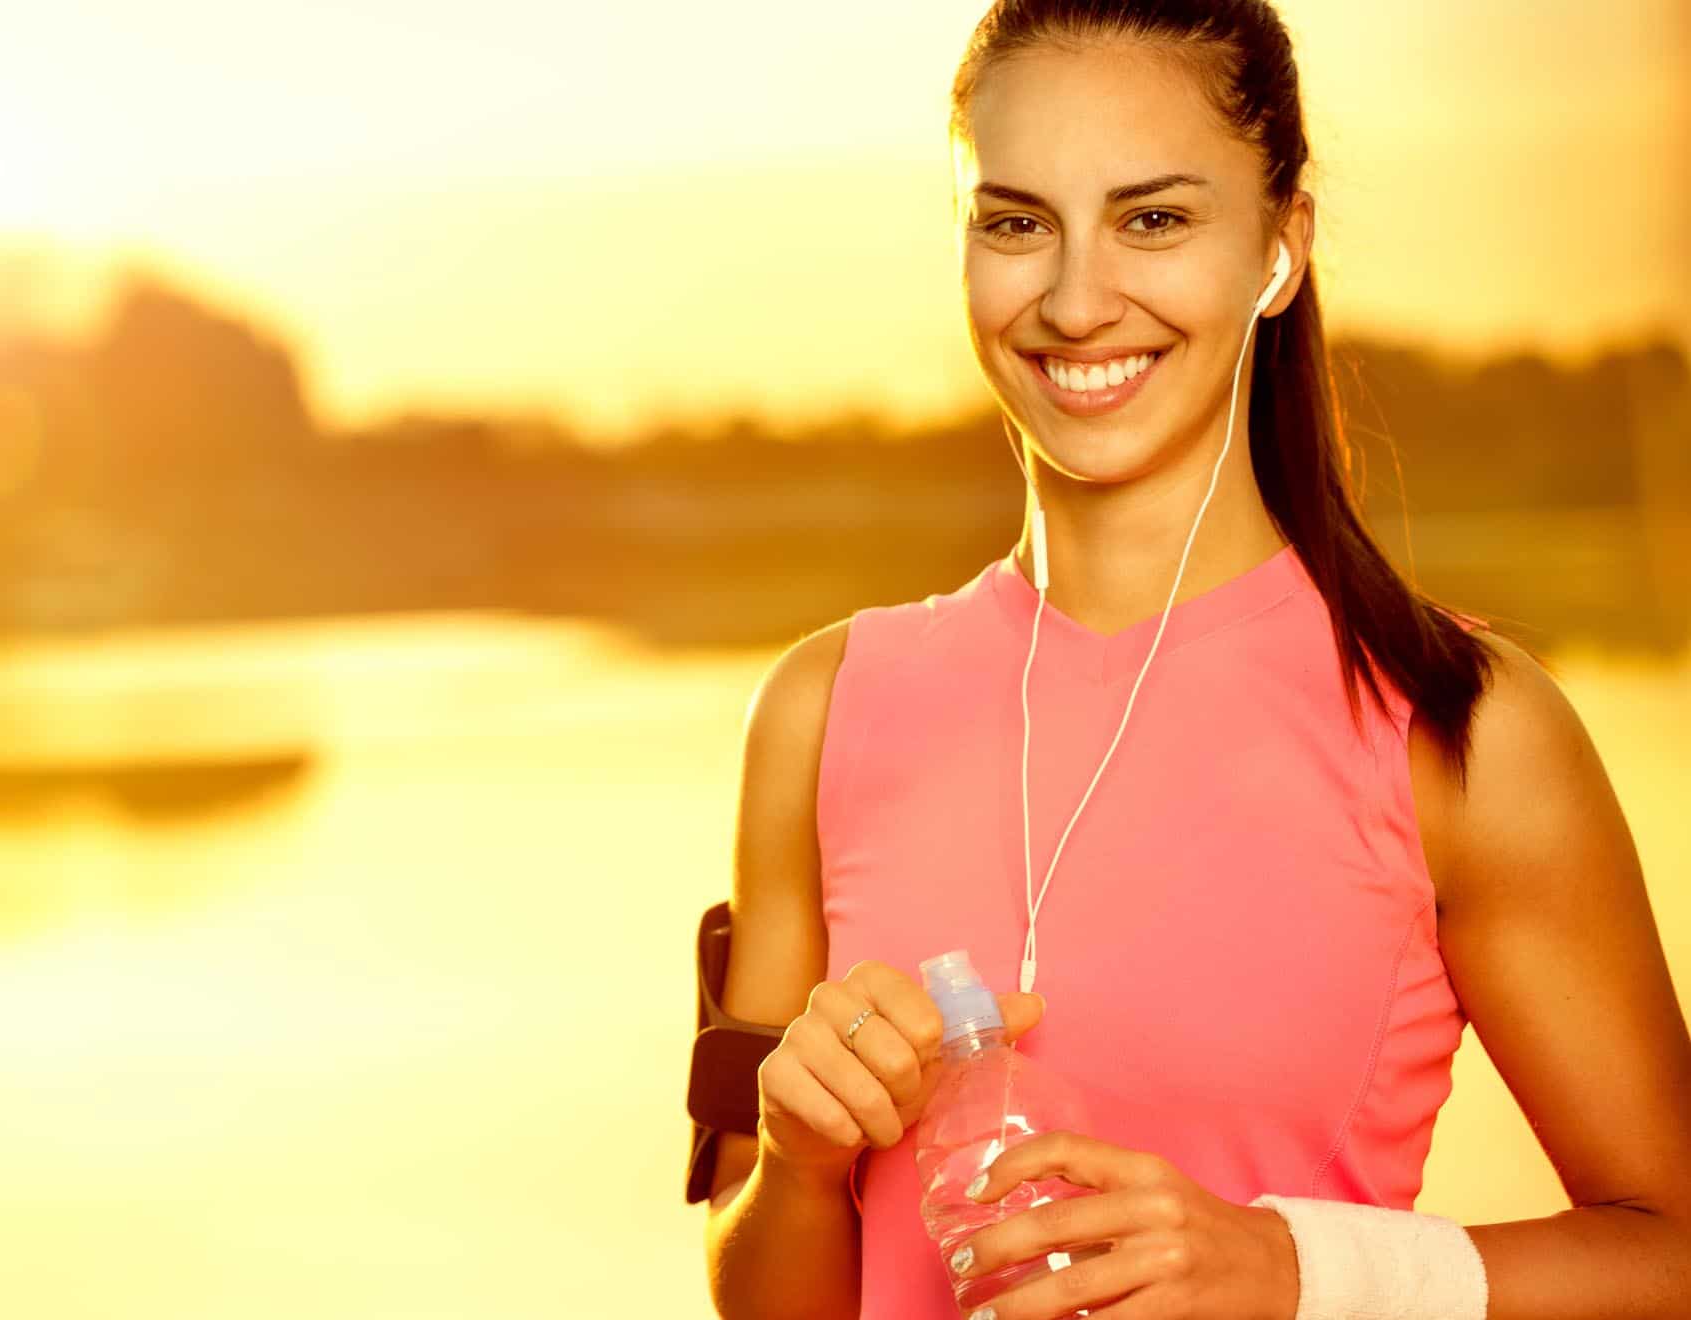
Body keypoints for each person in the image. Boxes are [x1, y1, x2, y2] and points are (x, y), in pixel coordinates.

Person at [698, 2, 1691, 1318]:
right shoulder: (819, 711)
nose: (1072, 299)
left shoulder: (1461, 730)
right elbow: (756, 1291)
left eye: (1153, 219)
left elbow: (1674, 1250)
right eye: (1016, 222)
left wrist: (1299, 1269)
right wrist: (804, 1164)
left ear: (1282, 247)